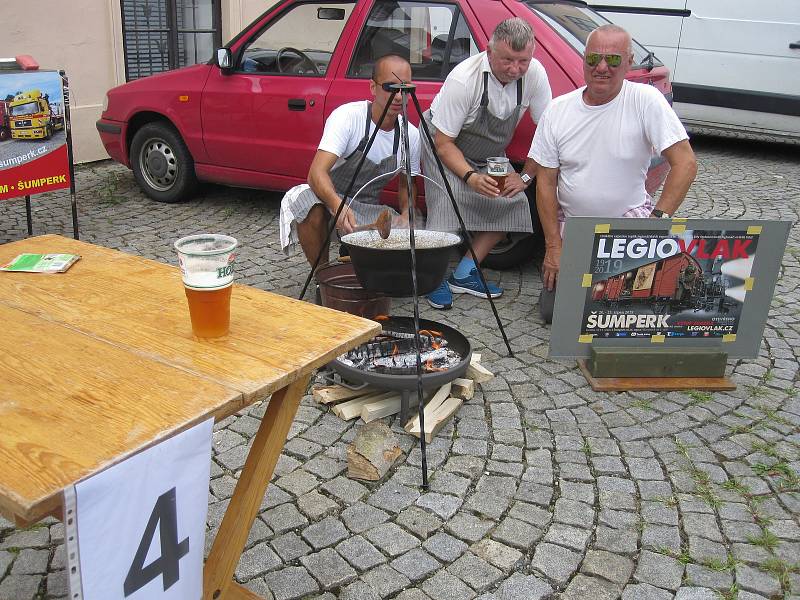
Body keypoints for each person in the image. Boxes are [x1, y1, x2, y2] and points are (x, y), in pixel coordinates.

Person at [527, 24, 697, 323]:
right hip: (573, 226)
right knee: (555, 314)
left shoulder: (646, 100)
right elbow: (546, 181)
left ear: (628, 62)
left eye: (613, 60)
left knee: (625, 311)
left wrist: (656, 223)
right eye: (593, 59)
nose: (601, 67)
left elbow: (685, 163)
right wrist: (553, 246)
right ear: (583, 60)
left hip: (629, 225)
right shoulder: (557, 110)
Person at [421, 17, 552, 310]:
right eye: (507, 60)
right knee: (447, 206)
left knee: (513, 202)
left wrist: (526, 177)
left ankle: (465, 273)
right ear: (489, 51)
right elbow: (444, 143)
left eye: (523, 61)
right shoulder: (463, 80)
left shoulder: (535, 75)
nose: (515, 69)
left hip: (489, 151)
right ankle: (432, 278)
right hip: (444, 143)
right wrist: (470, 177)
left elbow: (548, 134)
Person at [279, 54, 420, 267]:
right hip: (327, 196)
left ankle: (357, 258)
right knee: (310, 208)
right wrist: (338, 204)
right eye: (390, 87)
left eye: (406, 89)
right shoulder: (348, 117)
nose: (399, 96)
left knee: (405, 233)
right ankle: (322, 275)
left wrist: (407, 214)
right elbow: (316, 173)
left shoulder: (411, 135)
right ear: (373, 87)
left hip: (365, 205)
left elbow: (406, 185)